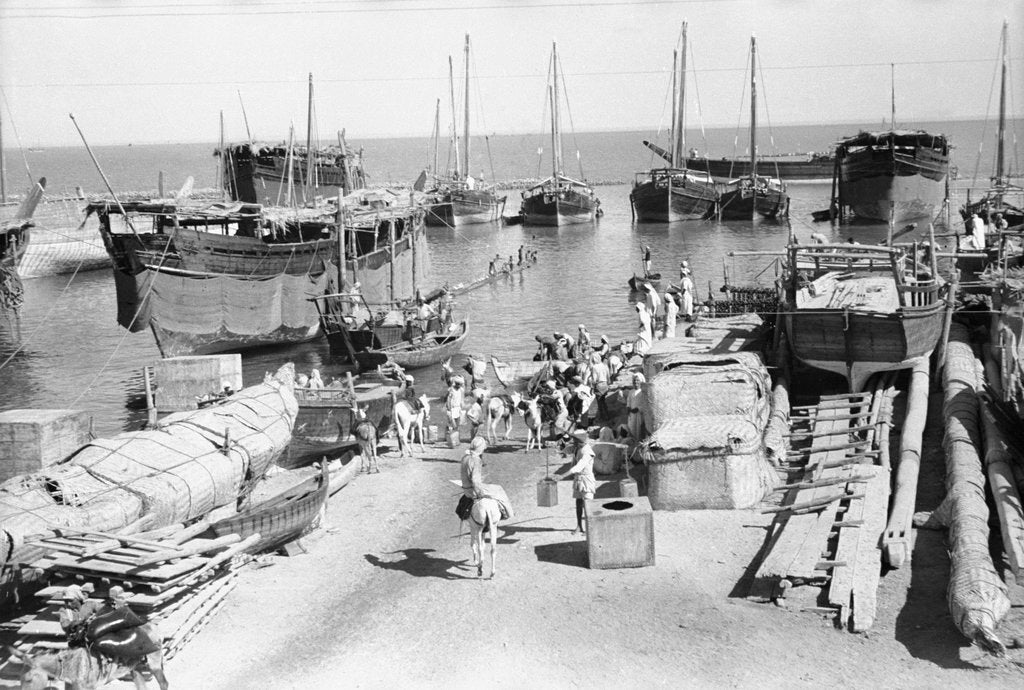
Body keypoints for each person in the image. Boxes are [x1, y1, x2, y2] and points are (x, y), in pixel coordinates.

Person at [555, 429, 596, 535]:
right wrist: (560, 445)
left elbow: (578, 467)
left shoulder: (587, 452)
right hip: (578, 479)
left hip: (587, 480)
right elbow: (565, 450)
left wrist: (562, 476)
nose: (573, 441)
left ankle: (590, 528)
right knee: (578, 502)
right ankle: (579, 526)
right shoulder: (577, 447)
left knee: (588, 505)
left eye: (575, 440)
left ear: (579, 440)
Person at [456, 436, 487, 520]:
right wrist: (480, 494)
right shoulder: (476, 460)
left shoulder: (465, 457)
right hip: (473, 492)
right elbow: (475, 481)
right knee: (499, 492)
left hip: (466, 490)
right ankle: (507, 514)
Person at [626, 372, 646, 442]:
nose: (636, 382)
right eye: (634, 380)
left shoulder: (643, 392)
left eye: (637, 380)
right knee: (631, 428)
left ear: (641, 381)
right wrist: (628, 407)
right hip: (631, 414)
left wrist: (638, 409)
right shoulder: (631, 391)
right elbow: (629, 400)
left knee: (639, 429)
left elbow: (645, 403)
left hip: (639, 414)